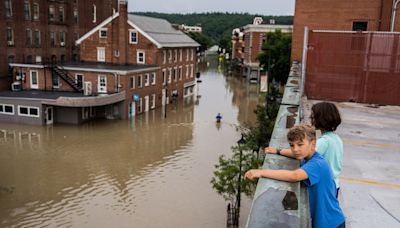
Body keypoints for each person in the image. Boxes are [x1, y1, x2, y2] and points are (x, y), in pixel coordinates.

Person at [245, 125, 345, 228]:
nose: (295, 149)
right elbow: (294, 154)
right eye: (292, 145)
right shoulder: (307, 156)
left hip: (331, 223)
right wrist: (278, 151)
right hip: (325, 220)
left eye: (300, 144)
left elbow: (295, 175)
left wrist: (261, 172)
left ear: (313, 144)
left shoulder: (318, 164)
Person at [265, 102, 343, 198]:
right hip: (334, 183)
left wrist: (278, 151)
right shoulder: (336, 138)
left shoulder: (325, 142)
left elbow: (301, 153)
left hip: (325, 186)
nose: (311, 119)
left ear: (321, 118)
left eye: (313, 117)